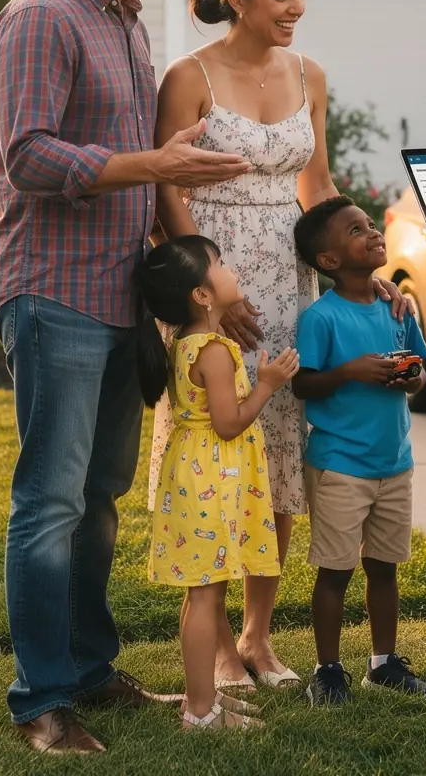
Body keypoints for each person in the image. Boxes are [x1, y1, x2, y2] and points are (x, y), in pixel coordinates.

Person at [0, 0, 252, 755]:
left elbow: (127, 154)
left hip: (116, 294)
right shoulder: (41, 17)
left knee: (99, 496)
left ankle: (89, 668)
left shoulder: (127, 23)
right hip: (51, 291)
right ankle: (42, 700)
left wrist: (175, 162)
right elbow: (28, 155)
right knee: (50, 502)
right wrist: (153, 162)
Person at [152, 0, 407, 690]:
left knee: (280, 458)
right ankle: (216, 647)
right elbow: (166, 190)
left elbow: (316, 186)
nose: (296, 9)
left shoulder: (309, 74)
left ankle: (259, 638)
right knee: (219, 453)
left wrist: (359, 273)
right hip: (212, 277)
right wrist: (214, 290)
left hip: (290, 282)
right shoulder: (188, 76)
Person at [135, 235, 300, 731]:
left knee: (200, 593)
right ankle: (201, 713)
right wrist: (267, 384)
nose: (230, 268)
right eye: (220, 263)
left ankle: (200, 699)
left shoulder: (185, 342)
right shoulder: (214, 352)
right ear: (202, 295)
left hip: (194, 472)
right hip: (212, 475)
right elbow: (228, 424)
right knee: (207, 595)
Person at [290, 196, 426, 706]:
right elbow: (303, 385)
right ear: (328, 259)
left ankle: (383, 663)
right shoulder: (321, 318)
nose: (373, 232)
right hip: (340, 466)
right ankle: (328, 670)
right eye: (356, 230)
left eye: (371, 224)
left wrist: (411, 378)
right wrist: (350, 372)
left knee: (384, 567)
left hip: (394, 462)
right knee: (335, 571)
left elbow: (420, 371)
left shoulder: (397, 307)